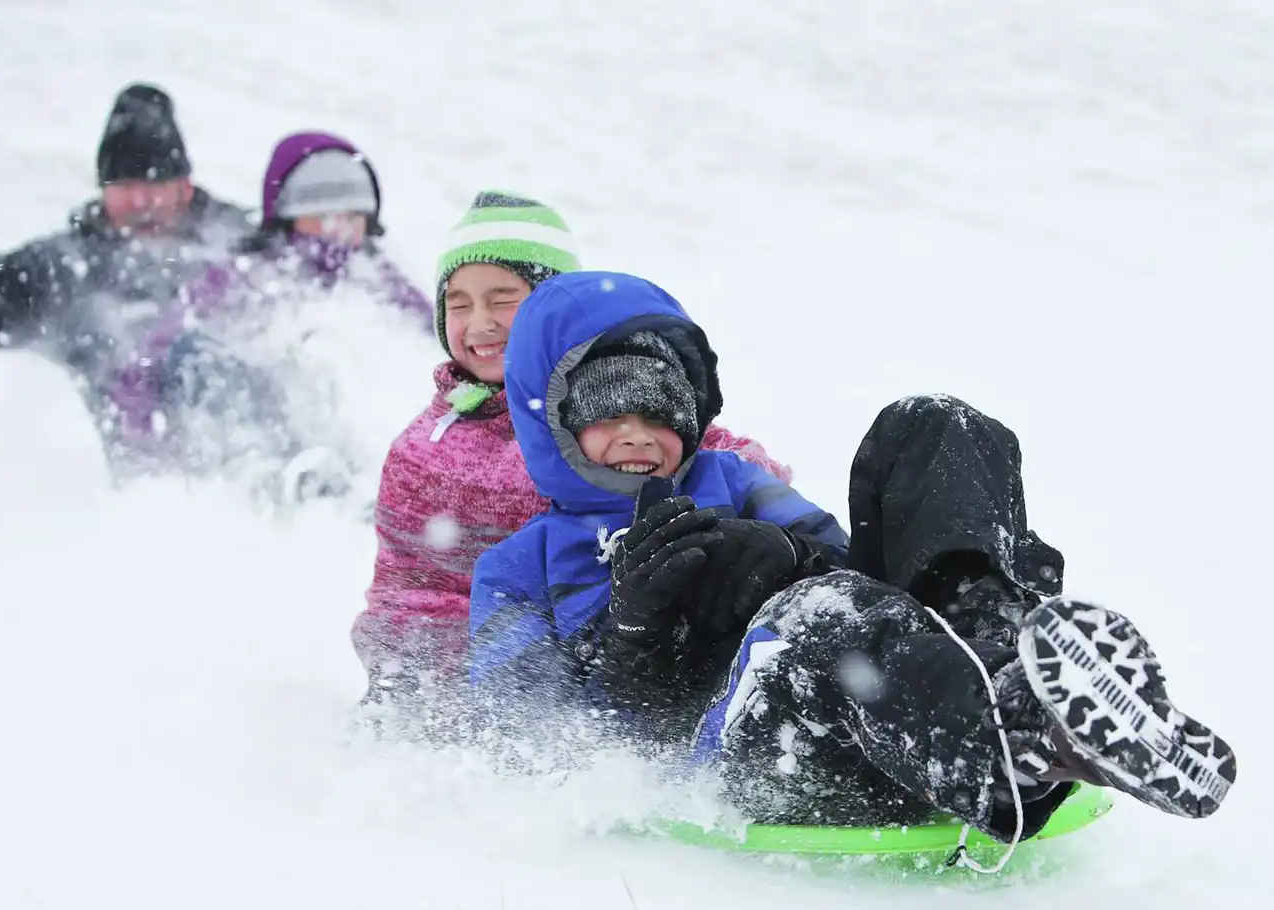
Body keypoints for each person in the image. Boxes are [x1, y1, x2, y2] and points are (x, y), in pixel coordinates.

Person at [468, 270, 1236, 865]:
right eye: (608, 413)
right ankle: (1017, 747)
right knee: (817, 614)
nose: (638, 435)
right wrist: (635, 639)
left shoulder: (735, 483)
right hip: (757, 764)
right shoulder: (518, 567)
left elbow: (865, 577)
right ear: (553, 420)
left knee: (931, 425)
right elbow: (532, 743)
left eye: (660, 410)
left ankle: (1014, 678)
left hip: (884, 706)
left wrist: (790, 554)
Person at [351, 193, 793, 736]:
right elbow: (405, 588)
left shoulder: (599, 413)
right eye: (458, 304)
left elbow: (703, 448)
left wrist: (752, 488)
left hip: (617, 659)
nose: (480, 323)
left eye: (503, 300)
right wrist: (412, 682)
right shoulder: (422, 451)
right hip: (478, 687)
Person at [0, 83, 253, 427]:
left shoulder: (246, 247)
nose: (140, 202)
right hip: (141, 456)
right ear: (102, 191)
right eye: (124, 186)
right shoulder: (67, 271)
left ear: (185, 187)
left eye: (155, 184)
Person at [106, 130, 428, 490]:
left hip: (360, 439)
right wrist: (141, 455)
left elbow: (432, 340)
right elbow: (153, 359)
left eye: (352, 217)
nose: (338, 230)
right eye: (322, 215)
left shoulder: (377, 279)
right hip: (260, 437)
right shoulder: (242, 279)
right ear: (288, 215)